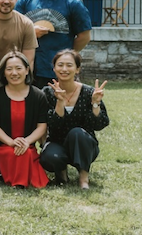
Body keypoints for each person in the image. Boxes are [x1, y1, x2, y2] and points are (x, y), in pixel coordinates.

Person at [15, 0, 93, 87]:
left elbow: (84, 36)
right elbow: (13, 28)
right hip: (28, 65)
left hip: (58, 68)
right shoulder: (26, 0)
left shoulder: (73, 4)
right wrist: (30, 32)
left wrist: (67, 55)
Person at [41, 50, 110, 189]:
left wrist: (95, 103)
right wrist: (60, 102)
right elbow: (51, 125)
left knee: (77, 132)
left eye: (69, 65)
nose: (64, 69)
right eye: (60, 65)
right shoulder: (47, 93)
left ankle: (84, 178)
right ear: (54, 68)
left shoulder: (89, 92)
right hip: (57, 142)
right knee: (49, 157)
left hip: (84, 144)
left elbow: (99, 124)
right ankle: (61, 174)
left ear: (77, 69)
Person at [0, 50, 49, 188]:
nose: (14, 73)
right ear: (4, 72)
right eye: (9, 69)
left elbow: (42, 126)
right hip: (2, 147)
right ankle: (19, 181)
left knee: (24, 153)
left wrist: (26, 141)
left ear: (27, 70)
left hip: (27, 146)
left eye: (18, 68)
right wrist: (11, 142)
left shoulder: (38, 96)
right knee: (17, 153)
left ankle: (17, 180)